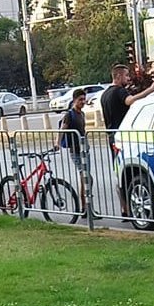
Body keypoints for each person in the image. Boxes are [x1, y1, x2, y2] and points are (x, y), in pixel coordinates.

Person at [100, 63, 154, 216]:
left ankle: (124, 208)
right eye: (126, 76)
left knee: (119, 173)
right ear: (118, 76)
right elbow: (130, 101)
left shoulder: (104, 95)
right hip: (123, 137)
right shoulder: (118, 91)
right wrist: (151, 89)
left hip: (112, 137)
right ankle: (129, 207)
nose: (128, 79)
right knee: (128, 172)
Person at [55, 88, 95, 218]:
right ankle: (85, 208)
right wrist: (57, 143)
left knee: (87, 179)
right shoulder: (69, 114)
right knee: (86, 177)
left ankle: (86, 207)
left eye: (84, 99)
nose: (83, 102)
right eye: (80, 100)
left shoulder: (81, 114)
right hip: (76, 151)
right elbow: (63, 129)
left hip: (84, 150)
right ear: (74, 100)